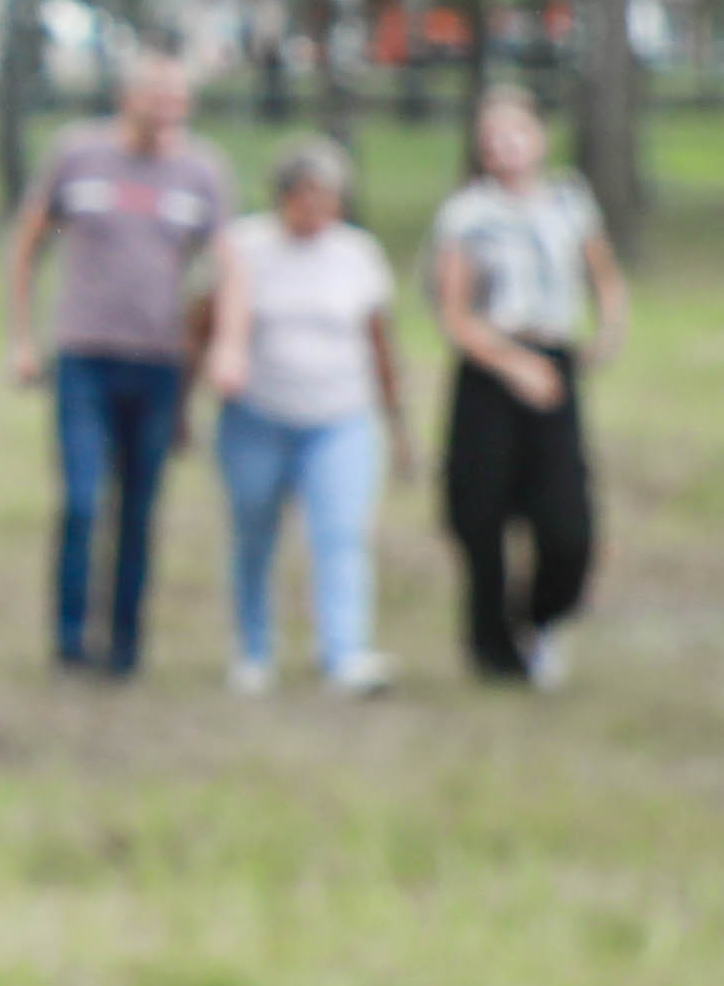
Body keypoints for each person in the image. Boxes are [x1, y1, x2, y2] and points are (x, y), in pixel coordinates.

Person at [2, 47, 231, 676]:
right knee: (81, 500)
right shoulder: (78, 154)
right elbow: (28, 243)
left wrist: (227, 346)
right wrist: (21, 338)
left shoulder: (202, 172)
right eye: (158, 94)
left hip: (160, 365)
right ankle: (70, 640)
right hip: (84, 357)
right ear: (128, 96)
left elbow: (228, 267)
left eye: (179, 98)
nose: (169, 108)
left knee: (139, 509)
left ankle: (124, 647)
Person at [423, 84, 624, 689]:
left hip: (554, 358)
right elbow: (454, 313)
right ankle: (495, 652)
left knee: (567, 520)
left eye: (516, 135)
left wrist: (607, 332)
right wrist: (512, 363)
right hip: (490, 366)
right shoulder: (465, 215)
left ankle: (541, 618)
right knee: (480, 515)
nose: (506, 149)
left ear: (538, 139)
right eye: (493, 141)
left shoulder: (569, 202)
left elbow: (605, 278)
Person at [202, 134, 398, 696]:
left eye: (328, 199)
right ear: (282, 196)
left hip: (340, 416)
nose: (317, 211)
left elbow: (380, 340)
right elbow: (205, 323)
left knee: (341, 535)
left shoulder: (357, 254)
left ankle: (345, 652)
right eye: (306, 197)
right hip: (258, 416)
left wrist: (394, 415)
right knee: (254, 532)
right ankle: (254, 649)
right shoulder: (245, 247)